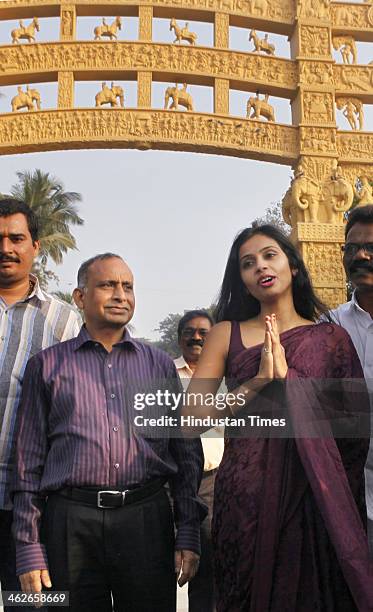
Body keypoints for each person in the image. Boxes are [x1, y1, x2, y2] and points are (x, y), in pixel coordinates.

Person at [182, 224, 373, 611]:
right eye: (247, 263)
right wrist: (256, 384)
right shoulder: (225, 333)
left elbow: (354, 430)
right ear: (242, 280)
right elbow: (189, 420)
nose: (260, 267)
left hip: (315, 496)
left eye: (270, 255)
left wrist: (292, 383)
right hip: (245, 495)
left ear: (294, 267)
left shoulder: (331, 339)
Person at [12, 252, 204, 612]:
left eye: (127, 286)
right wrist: (28, 546)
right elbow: (28, 463)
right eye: (108, 285)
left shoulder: (158, 364)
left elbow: (185, 451)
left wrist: (189, 529)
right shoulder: (47, 366)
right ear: (80, 297)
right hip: (70, 522)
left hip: (146, 520)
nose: (120, 295)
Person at [0, 198, 81, 612]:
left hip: (32, 506)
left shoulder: (65, 322)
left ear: (35, 246)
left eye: (16, 238)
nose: (6, 248)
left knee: (31, 604)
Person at [328, 205, 373, 554]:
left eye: (371, 247)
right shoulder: (327, 327)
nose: (360, 255)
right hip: (350, 498)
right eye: (351, 248)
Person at [175, 310, 223, 612]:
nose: (196, 337)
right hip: (172, 482)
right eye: (189, 332)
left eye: (204, 333)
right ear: (179, 338)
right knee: (165, 561)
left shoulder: (225, 378)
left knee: (207, 567)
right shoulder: (164, 374)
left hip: (212, 484)